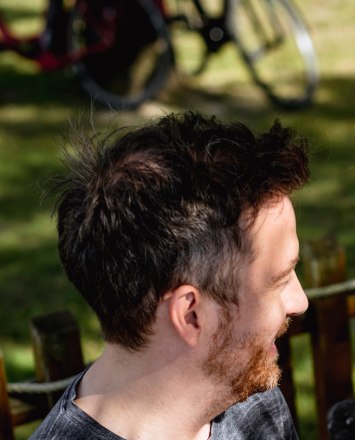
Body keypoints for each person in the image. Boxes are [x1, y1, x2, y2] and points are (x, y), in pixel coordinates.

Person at [32, 112, 310, 439]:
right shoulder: (240, 375)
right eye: (279, 280)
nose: (300, 302)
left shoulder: (244, 389)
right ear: (190, 314)